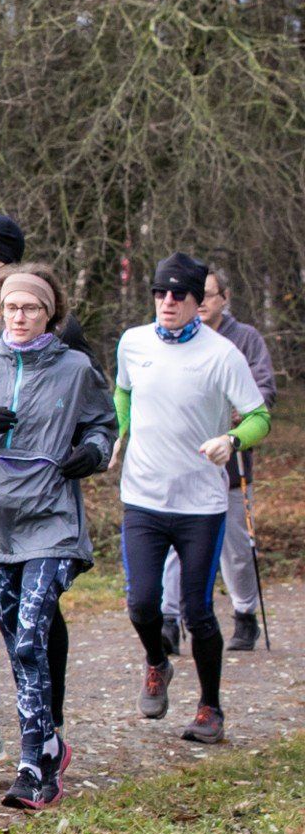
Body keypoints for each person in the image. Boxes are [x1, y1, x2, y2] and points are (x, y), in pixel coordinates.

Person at [0, 264, 116, 808]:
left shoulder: (76, 368)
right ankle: (49, 744)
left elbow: (102, 424)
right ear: (0, 311)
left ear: (49, 312)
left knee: (32, 633)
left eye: (31, 307)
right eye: (11, 307)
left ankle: (35, 764)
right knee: (17, 642)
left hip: (50, 517)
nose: (20, 316)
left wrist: (93, 453)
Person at [114, 253, 271, 744]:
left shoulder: (222, 354)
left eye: (178, 295)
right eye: (160, 293)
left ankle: (210, 707)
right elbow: (124, 393)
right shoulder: (133, 343)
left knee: (197, 611)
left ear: (197, 301)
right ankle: (158, 663)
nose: (167, 302)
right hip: (142, 497)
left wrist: (233, 441)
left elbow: (258, 416)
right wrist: (122, 430)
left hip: (200, 504)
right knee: (142, 605)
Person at [158, 264, 278, 653]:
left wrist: (233, 417)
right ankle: (169, 620)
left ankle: (245, 614)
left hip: (228, 463)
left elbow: (264, 393)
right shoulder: (167, 339)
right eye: (198, 294)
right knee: (174, 546)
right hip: (176, 462)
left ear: (223, 299)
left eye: (209, 294)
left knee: (236, 547)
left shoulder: (244, 339)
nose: (200, 301)